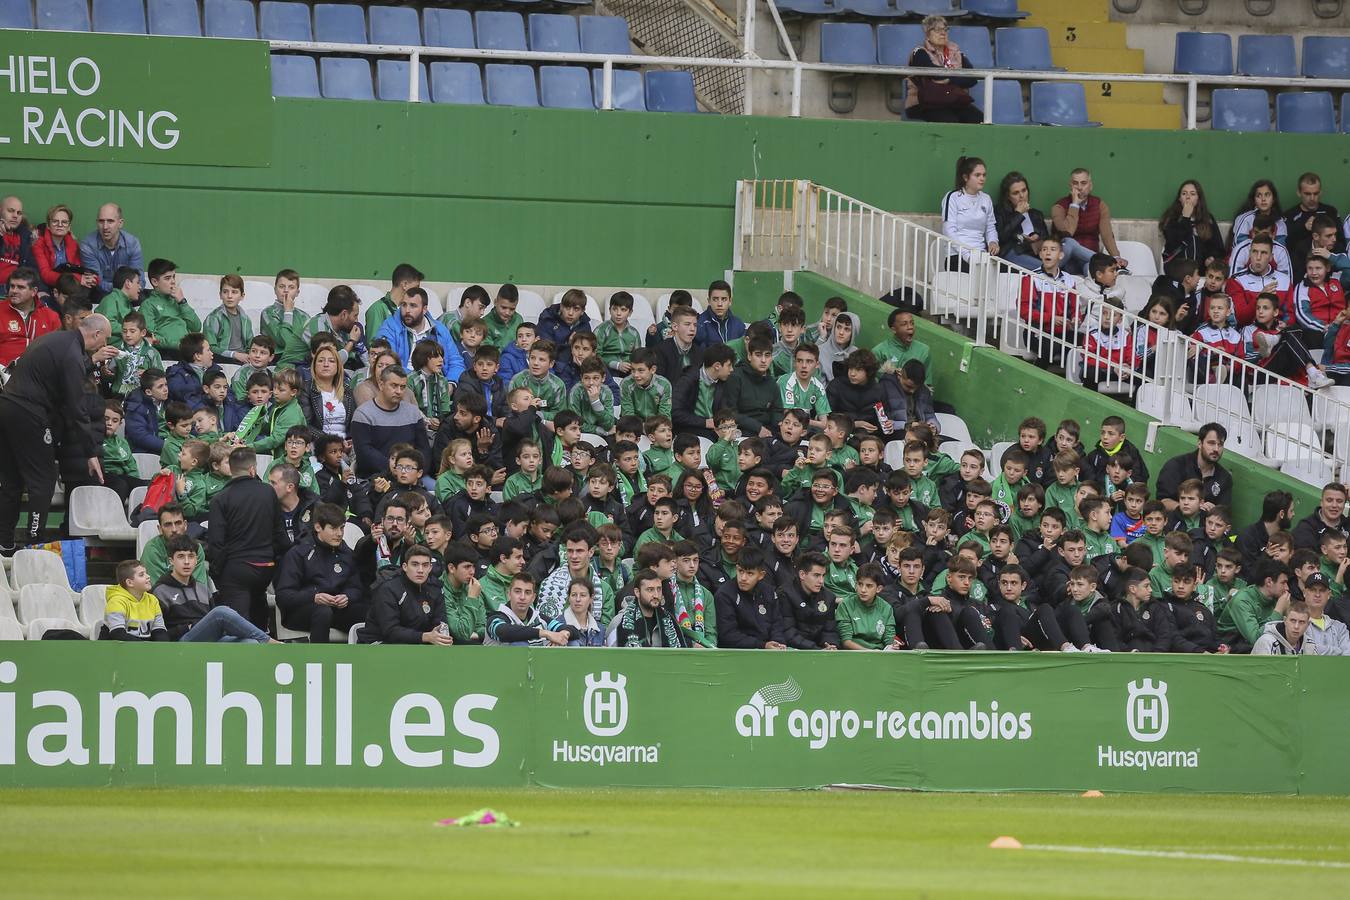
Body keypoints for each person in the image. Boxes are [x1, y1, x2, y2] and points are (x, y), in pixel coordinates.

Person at [0, 313, 113, 549]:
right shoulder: (72, 353)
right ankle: (35, 543)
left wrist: (90, 363)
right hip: (29, 413)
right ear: (97, 334)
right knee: (43, 480)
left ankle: (5, 543)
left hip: (7, 405)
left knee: (11, 481)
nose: (103, 345)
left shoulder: (57, 340)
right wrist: (90, 452)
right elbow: (76, 407)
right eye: (105, 339)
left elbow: (63, 373)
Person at [206, 447, 284, 630]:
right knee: (259, 619)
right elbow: (278, 532)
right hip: (265, 567)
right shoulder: (268, 492)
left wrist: (217, 573)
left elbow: (216, 542)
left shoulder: (220, 499)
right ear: (253, 469)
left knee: (240, 628)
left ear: (231, 469)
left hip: (236, 569)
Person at [274, 502, 367, 643]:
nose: (339, 534)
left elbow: (356, 587)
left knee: (367, 612)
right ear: (318, 527)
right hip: (302, 609)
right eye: (333, 528)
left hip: (336, 608)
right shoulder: (298, 553)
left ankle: (364, 660)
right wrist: (314, 596)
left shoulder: (346, 553)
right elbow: (283, 596)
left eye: (342, 528)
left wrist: (347, 596)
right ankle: (318, 660)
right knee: (322, 612)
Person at [362, 544, 453, 645]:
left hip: (416, 645)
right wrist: (424, 637)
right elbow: (390, 631)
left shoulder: (435, 590)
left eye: (425, 565)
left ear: (430, 568)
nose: (420, 570)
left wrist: (440, 636)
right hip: (380, 645)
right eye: (415, 564)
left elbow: (440, 624)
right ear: (405, 567)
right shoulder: (387, 589)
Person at [350, 365, 430, 478]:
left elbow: (424, 449)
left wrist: (414, 471)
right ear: (381, 385)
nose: (399, 391)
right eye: (394, 386)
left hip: (412, 476)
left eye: (402, 387)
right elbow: (365, 453)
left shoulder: (413, 413)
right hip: (376, 477)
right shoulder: (363, 414)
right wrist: (398, 470)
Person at [376, 286, 465, 383]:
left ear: (424, 309)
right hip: (402, 383)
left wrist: (450, 383)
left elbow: (456, 361)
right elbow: (388, 363)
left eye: (413, 306)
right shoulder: (389, 327)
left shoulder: (439, 329)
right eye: (404, 305)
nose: (407, 310)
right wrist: (418, 380)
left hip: (438, 384)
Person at [1051, 168, 1128, 276]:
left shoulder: (1099, 205)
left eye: (1083, 183)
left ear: (1090, 186)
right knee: (1070, 243)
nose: (1079, 187)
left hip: (1089, 260)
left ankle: (1108, 264)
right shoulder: (1059, 206)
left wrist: (1116, 256)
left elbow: (1107, 235)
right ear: (1070, 186)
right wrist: (1074, 205)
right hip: (1066, 260)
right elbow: (1067, 232)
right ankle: (1108, 264)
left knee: (1092, 271)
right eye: (1075, 183)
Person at [905, 15, 980, 124]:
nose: (943, 33)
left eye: (945, 29)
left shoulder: (957, 53)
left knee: (979, 119)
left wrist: (949, 80)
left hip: (953, 101)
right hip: (925, 103)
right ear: (927, 33)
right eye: (937, 30)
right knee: (949, 121)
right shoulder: (919, 52)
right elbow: (933, 73)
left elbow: (972, 78)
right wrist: (957, 77)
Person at [1154, 424, 1232, 512]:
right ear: (1199, 443)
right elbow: (1163, 502)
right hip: (1174, 522)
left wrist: (1213, 511)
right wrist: (1189, 508)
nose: (1216, 449)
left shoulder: (1224, 477)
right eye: (1211, 443)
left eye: (1220, 444)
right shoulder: (1177, 465)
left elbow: (1224, 513)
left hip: (1205, 524)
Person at [941, 156, 998, 271]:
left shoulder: (986, 199)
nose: (982, 178)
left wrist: (993, 242)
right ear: (966, 177)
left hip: (981, 255)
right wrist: (967, 255)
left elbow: (990, 227)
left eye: (984, 175)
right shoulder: (953, 197)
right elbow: (949, 230)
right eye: (977, 175)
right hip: (957, 256)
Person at [78, 203, 144, 295]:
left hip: (128, 294)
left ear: (120, 223)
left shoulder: (132, 243)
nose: (105, 227)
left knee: (143, 299)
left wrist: (126, 291)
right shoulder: (88, 245)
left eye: (110, 221)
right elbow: (96, 281)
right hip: (99, 293)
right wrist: (123, 290)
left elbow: (139, 280)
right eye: (101, 221)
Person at [0, 266, 61, 366]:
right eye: (12, 286)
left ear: (34, 291)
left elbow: (58, 349)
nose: (14, 291)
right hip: (4, 373)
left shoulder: (50, 316)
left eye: (20, 287)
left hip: (39, 373)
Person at [614, 568, 690, 648]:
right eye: (650, 590)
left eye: (659, 589)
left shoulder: (669, 620)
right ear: (637, 592)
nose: (656, 595)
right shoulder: (619, 622)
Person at [1158, 179, 1224, 267]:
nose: (1188, 197)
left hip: (1201, 271)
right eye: (1184, 193)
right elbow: (1173, 243)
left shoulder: (1207, 219)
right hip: (1178, 268)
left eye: (1192, 194)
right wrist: (1185, 217)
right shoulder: (1171, 217)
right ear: (1179, 199)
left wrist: (1211, 257)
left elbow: (1218, 247)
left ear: (1198, 198)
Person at [30, 204, 96, 291]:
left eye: (64, 222)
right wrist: (77, 278)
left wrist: (92, 279)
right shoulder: (39, 245)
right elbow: (45, 275)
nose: (60, 225)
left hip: (69, 288)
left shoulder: (74, 245)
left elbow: (80, 269)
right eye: (55, 221)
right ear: (48, 226)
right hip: (46, 288)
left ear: (69, 227)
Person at [993, 172, 1049, 271]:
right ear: (1008, 196)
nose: (1022, 195)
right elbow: (1001, 237)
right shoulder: (1000, 212)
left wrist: (1037, 238)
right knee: (1049, 270)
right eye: (1016, 193)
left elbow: (1047, 240)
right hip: (1014, 255)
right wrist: (1018, 214)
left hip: (1036, 255)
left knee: (1069, 244)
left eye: (1024, 190)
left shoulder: (1036, 214)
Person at [101, 560, 169, 641]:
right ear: (130, 582)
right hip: (113, 650)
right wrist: (144, 648)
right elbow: (118, 633)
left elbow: (159, 631)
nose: (148, 576)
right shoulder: (116, 601)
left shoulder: (153, 600)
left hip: (141, 648)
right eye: (141, 575)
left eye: (146, 573)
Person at [364, 262, 423, 340]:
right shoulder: (377, 309)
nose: (418, 292)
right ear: (404, 285)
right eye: (416, 287)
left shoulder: (410, 311)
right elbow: (374, 345)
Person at [1292, 482, 1349, 552]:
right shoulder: (1306, 527)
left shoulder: (1348, 524)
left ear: (1344, 504)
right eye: (1329, 500)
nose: (1334, 505)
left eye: (1339, 501)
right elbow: (1304, 559)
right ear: (1321, 502)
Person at [1250, 601, 1315, 655]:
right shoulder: (1267, 642)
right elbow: (1262, 670)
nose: (1296, 626)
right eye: (1293, 621)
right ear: (1285, 620)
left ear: (1308, 624)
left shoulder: (1309, 645)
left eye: (1301, 622)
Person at [0, 196, 34, 286]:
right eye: (11, 211)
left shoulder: (25, 236)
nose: (15, 216)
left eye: (19, 213)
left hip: (16, 289)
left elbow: (32, 268)